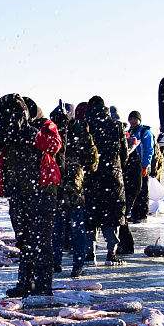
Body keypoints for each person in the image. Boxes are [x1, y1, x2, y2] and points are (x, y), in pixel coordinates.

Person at [0, 94, 63, 297]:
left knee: (41, 240)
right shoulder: (7, 128)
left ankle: (44, 286)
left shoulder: (45, 125)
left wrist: (31, 133)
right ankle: (25, 283)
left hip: (42, 191)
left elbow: (54, 146)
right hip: (18, 191)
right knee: (24, 239)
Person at [84, 96, 127, 265]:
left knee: (91, 215)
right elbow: (124, 153)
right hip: (112, 176)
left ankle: (90, 252)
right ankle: (111, 252)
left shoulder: (86, 125)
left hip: (91, 177)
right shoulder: (116, 125)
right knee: (112, 215)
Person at [63, 103, 100, 277]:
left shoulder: (57, 130)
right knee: (78, 227)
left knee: (57, 228)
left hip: (56, 186)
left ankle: (55, 262)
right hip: (76, 186)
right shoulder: (84, 132)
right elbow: (93, 163)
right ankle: (78, 263)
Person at [124, 110, 154, 225]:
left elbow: (149, 149)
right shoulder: (129, 132)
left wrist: (145, 165)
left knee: (142, 190)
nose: (133, 121)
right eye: (131, 119)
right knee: (133, 190)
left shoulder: (145, 132)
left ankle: (142, 214)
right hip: (131, 166)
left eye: (135, 119)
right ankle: (135, 213)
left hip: (141, 164)